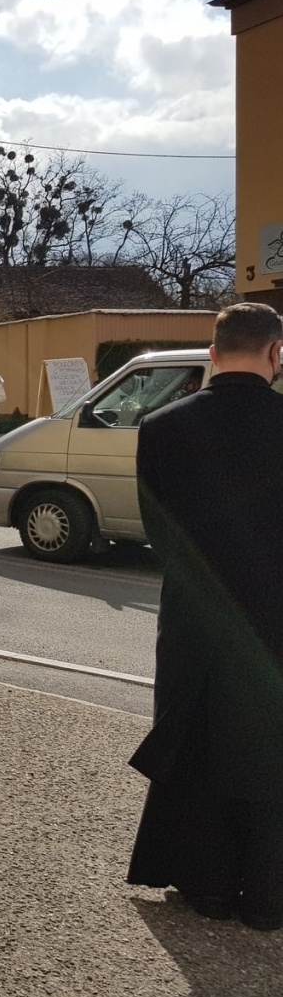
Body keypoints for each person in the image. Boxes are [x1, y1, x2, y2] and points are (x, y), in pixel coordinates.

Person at [127, 302, 283, 932]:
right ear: (276, 354)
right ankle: (270, 894)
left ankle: (206, 885)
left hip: (194, 611)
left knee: (195, 738)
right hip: (276, 617)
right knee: (271, 749)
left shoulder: (161, 425)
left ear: (212, 354)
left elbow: (154, 528)